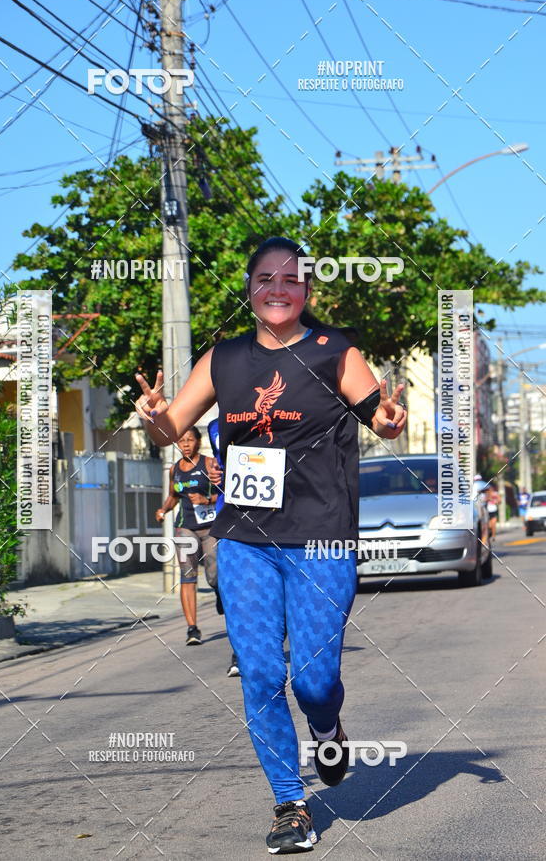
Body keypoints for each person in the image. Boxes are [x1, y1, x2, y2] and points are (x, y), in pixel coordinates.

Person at [136, 237, 407, 854]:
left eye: (290, 280)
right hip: (245, 540)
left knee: (313, 680)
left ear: (306, 291)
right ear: (250, 288)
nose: (277, 290)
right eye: (265, 279)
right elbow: (170, 428)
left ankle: (327, 724)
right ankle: (291, 803)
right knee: (259, 673)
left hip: (321, 538)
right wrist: (155, 415)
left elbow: (381, 417)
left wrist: (390, 419)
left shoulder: (333, 350)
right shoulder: (224, 360)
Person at [155, 426, 220, 646]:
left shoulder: (210, 463)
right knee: (187, 575)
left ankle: (220, 592)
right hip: (185, 526)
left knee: (214, 575)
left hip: (211, 527)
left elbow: (224, 493)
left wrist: (207, 501)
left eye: (189, 440)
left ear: (198, 442)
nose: (185, 444)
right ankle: (192, 629)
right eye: (181, 441)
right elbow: (173, 496)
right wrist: (163, 510)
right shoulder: (175, 470)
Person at [208, 417, 240, 678]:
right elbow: (219, 463)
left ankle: (249, 650)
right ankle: (240, 652)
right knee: (227, 584)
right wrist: (216, 475)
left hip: (275, 515)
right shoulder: (213, 427)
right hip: (228, 513)